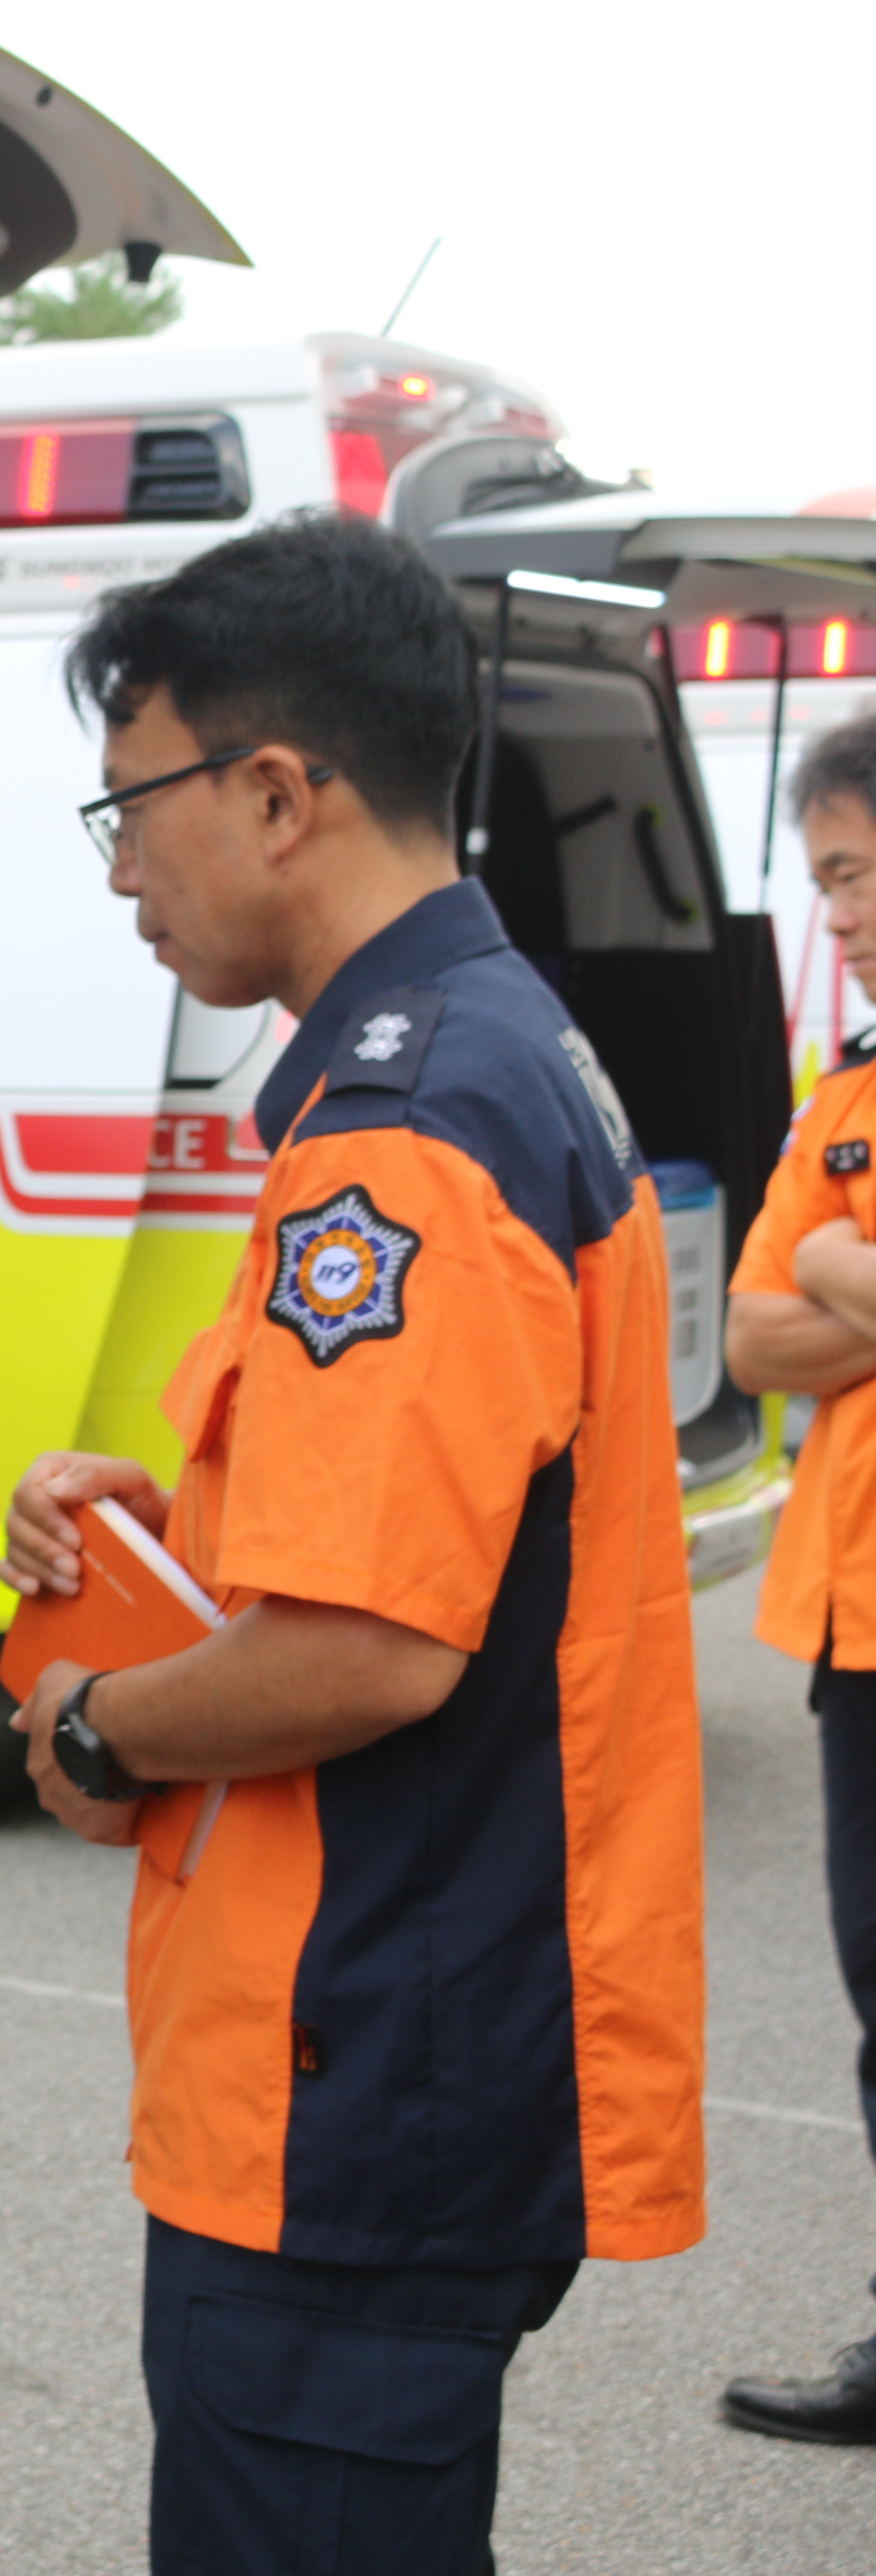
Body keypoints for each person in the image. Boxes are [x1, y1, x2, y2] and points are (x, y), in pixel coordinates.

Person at [0, 512, 705, 2572]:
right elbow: (434, 1526)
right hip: (414, 2029)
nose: (122, 872)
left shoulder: (403, 1130)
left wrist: (99, 1724)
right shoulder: (487, 1047)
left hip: (360, 2063)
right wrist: (180, 1529)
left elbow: (371, 1646)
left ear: (278, 794)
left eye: (131, 807)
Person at [716, 709, 876, 2441]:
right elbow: (754, 1337)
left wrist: (834, 1255)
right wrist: (839, 1267)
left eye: (856, 874)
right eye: (826, 878)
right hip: (855, 1620)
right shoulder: (844, 1093)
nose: (837, 914)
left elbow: (800, 1291)